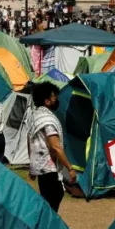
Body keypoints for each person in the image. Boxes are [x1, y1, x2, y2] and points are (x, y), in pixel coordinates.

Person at [29, 82, 76, 212]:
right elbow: (55, 147)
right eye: (54, 97)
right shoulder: (47, 120)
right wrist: (70, 168)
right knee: (54, 198)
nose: (57, 100)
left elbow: (31, 142)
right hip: (49, 168)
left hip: (41, 167)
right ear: (47, 101)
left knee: (48, 200)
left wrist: (32, 166)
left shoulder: (36, 116)